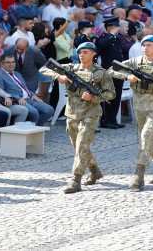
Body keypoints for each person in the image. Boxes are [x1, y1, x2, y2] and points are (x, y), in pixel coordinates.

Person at [108, 35, 153, 191]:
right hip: (140, 106)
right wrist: (127, 76)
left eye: (149, 45)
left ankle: (139, 174)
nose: (145, 48)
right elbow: (111, 69)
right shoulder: (135, 62)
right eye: (143, 45)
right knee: (151, 138)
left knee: (146, 135)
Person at [41, 42, 116, 194]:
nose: (81, 55)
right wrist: (58, 76)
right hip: (72, 113)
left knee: (82, 145)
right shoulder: (71, 68)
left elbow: (111, 94)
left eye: (85, 52)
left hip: (90, 113)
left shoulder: (101, 73)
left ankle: (76, 180)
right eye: (80, 52)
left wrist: (93, 97)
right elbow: (44, 68)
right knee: (79, 147)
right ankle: (95, 170)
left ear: (94, 54)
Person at [0, 54, 54, 126]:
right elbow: (0, 92)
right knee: (34, 112)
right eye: (8, 62)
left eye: (13, 62)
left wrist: (33, 94)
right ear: (2, 64)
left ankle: (35, 129)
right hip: (16, 100)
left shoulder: (17, 74)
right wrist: (17, 98)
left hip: (29, 98)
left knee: (49, 110)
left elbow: (24, 88)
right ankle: (30, 131)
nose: (11, 65)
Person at [97, 17, 125, 129]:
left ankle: (113, 119)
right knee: (109, 96)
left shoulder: (115, 38)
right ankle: (106, 120)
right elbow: (101, 46)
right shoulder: (105, 37)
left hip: (118, 70)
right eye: (116, 27)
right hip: (108, 70)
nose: (118, 29)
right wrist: (111, 34)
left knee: (117, 96)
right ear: (110, 27)